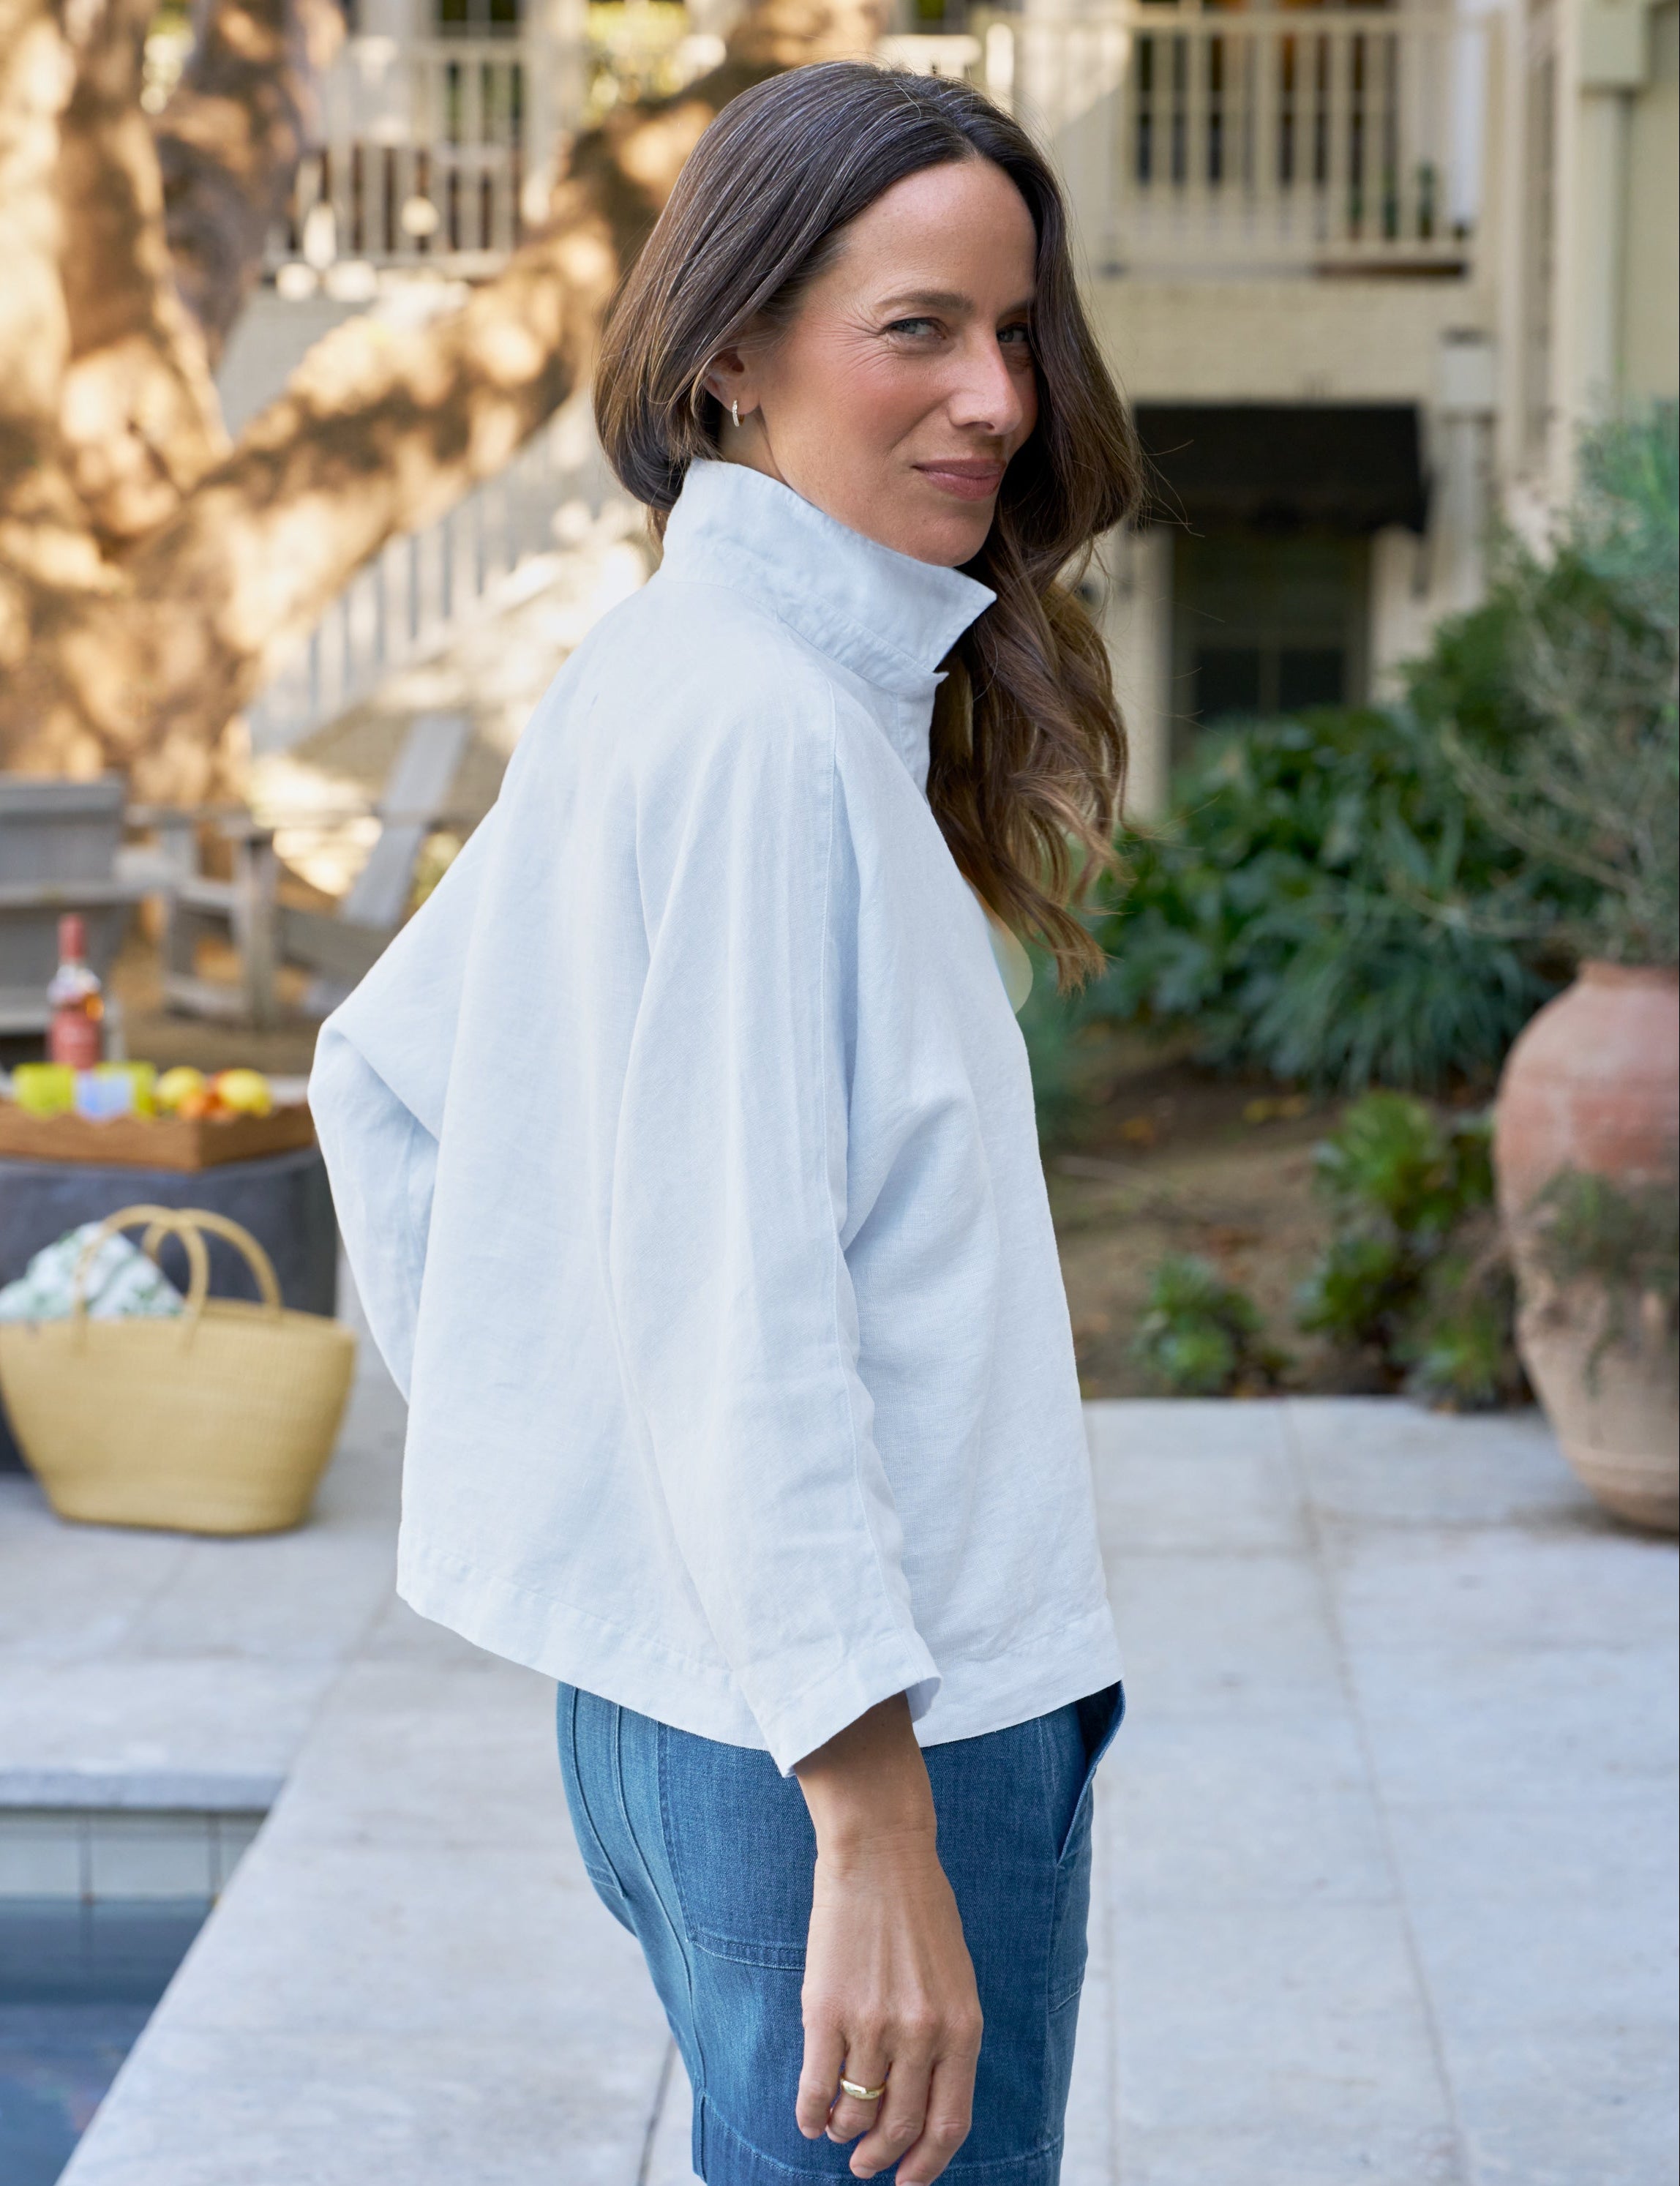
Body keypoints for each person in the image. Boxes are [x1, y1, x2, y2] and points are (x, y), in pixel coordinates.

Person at [311, 59, 1143, 2186]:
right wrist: (865, 1811)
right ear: (734, 359)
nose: (998, 398)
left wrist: (605, 1513)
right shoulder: (764, 735)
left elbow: (386, 1078)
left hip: (736, 1721)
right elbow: (738, 1311)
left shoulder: (676, 672)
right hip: (856, 1750)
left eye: (1017, 328)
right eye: (920, 330)